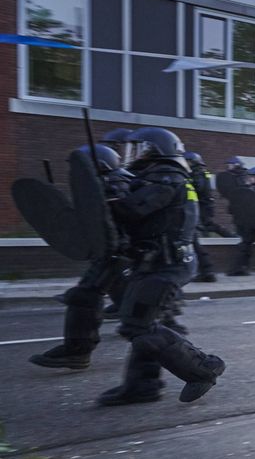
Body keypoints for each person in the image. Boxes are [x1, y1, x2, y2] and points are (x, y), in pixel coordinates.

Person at [97, 127, 225, 405]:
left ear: (157, 150)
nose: (133, 154)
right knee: (140, 323)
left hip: (167, 265)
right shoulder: (154, 177)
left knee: (138, 326)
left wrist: (113, 192)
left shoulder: (167, 178)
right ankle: (143, 386)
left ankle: (204, 368)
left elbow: (132, 210)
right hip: (155, 262)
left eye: (140, 148)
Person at [29, 144, 134, 370]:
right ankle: (78, 350)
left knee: (85, 297)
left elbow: (117, 223)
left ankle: (78, 351)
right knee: (126, 307)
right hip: (109, 255)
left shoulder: (116, 185)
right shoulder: (101, 185)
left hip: (118, 255)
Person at [183, 151, 229, 283]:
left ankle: (207, 270)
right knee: (197, 237)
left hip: (199, 209)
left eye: (187, 162)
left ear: (193, 163)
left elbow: (198, 188)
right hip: (199, 209)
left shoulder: (198, 174)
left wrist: (188, 178)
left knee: (196, 236)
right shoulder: (201, 173)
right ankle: (207, 270)